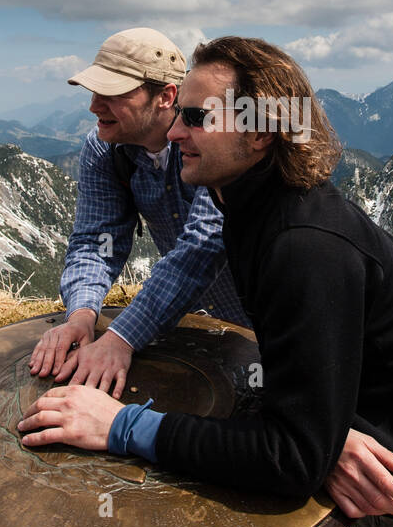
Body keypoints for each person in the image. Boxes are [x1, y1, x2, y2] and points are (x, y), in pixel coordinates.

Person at [20, 36, 393, 527]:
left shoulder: (302, 246)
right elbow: (303, 413)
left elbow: (290, 459)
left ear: (259, 133)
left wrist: (118, 425)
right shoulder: (257, 209)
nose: (177, 133)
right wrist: (321, 435)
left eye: (196, 117)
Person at [28, 27, 249, 400]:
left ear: (165, 96)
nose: (94, 106)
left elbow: (202, 246)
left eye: (112, 94)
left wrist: (122, 337)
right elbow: (96, 240)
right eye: (95, 91)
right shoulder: (105, 149)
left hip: (264, 324)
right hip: (199, 328)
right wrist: (82, 314)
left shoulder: (217, 142)